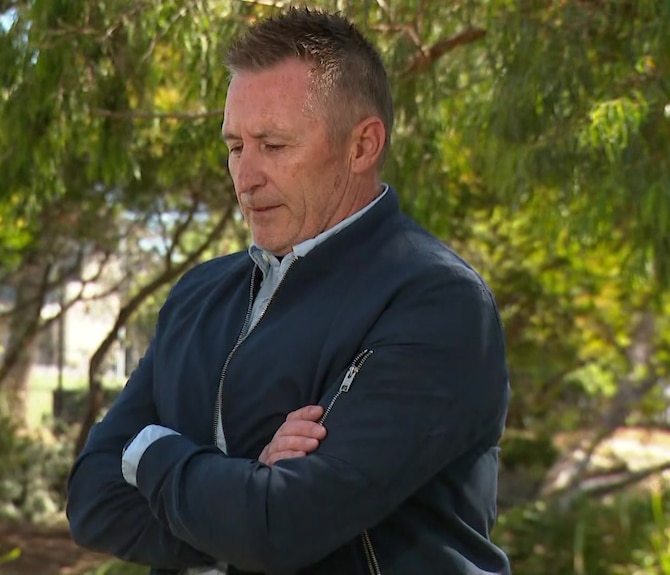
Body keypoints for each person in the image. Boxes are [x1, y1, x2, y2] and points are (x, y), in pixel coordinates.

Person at [67, 8, 511, 575]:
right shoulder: (199, 295)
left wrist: (150, 450)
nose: (245, 178)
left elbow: (280, 527)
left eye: (273, 146)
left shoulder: (437, 302)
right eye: (235, 147)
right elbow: (92, 501)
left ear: (362, 146)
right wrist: (245, 484)